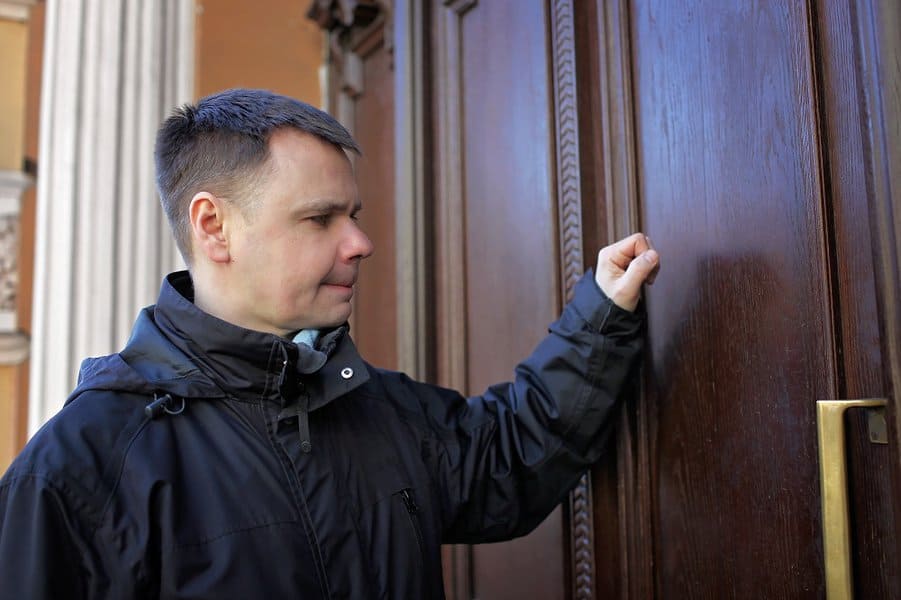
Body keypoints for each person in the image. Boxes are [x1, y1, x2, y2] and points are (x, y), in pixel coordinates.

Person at [0, 89, 659, 599]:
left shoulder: (380, 408)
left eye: (354, 217)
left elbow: (511, 455)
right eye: (320, 219)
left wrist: (600, 314)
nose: (359, 244)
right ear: (213, 227)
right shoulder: (77, 469)